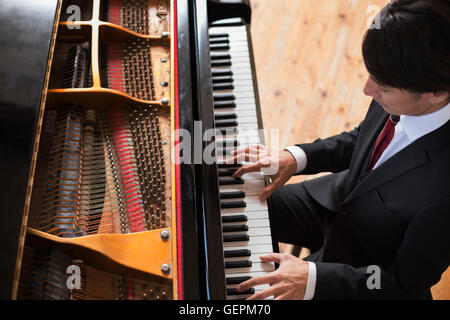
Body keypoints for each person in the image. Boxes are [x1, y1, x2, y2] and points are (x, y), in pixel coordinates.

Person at [230, 0, 450, 299]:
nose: (366, 90)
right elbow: (363, 137)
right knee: (230, 197)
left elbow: (403, 282)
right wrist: (296, 158)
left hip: (364, 270)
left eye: (381, 87)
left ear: (437, 94)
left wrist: (311, 279)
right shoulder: (404, 75)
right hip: (335, 200)